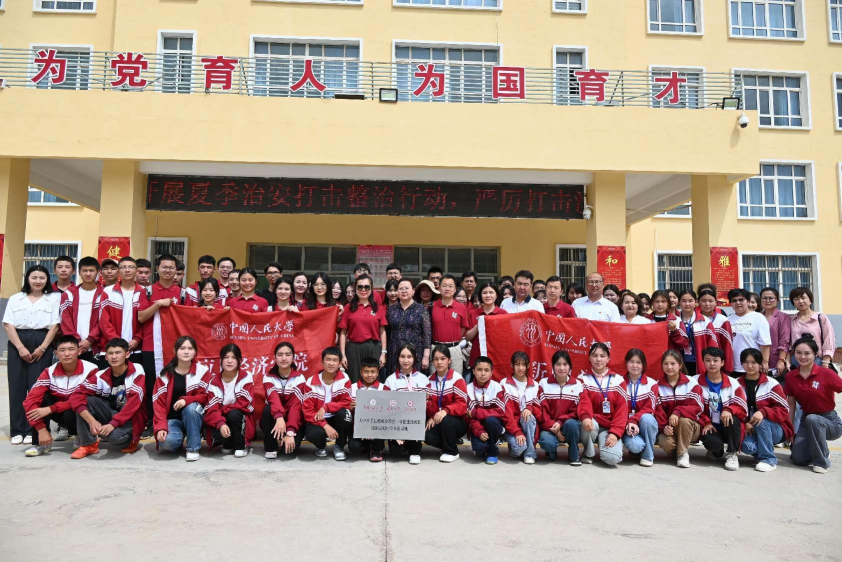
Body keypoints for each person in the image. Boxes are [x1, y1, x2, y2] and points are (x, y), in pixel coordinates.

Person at [4, 264, 61, 446]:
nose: (38, 281)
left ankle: (33, 429)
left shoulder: (53, 299)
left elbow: (55, 325)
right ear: (27, 278)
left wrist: (43, 347)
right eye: (34, 277)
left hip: (42, 341)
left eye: (42, 278)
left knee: (38, 388)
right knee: (17, 387)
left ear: (47, 280)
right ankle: (17, 430)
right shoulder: (16, 298)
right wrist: (20, 347)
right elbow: (8, 324)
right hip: (18, 342)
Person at [19, 335, 98, 456]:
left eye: (71, 349)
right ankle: (41, 443)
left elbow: (84, 399)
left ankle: (80, 436)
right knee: (38, 400)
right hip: (59, 412)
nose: (67, 354)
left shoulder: (91, 369)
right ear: (56, 353)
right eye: (62, 350)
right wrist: (41, 429)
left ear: (79, 351)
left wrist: (51, 409)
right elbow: (30, 401)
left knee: (83, 402)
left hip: (77, 412)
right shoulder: (49, 372)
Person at [71, 338, 147, 458]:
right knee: (85, 401)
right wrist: (91, 420)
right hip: (110, 413)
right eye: (110, 353)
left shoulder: (137, 370)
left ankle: (133, 437)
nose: (114, 357)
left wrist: (113, 424)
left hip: (131, 418)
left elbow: (134, 402)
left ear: (127, 354)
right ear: (106, 357)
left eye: (118, 353)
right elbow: (76, 395)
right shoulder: (101, 375)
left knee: (115, 438)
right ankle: (88, 445)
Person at [137, 254, 182, 438]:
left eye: (171, 267)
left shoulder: (183, 293)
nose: (168, 270)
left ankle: (173, 420)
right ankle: (151, 420)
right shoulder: (147, 291)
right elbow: (141, 317)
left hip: (175, 348)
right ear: (157, 269)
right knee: (151, 386)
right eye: (164, 267)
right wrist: (158, 305)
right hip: (151, 346)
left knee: (174, 385)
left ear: (176, 270)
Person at [785, 335, 842, 474]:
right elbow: (791, 405)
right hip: (806, 419)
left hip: (830, 421)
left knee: (813, 419)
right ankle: (818, 447)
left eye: (807, 353)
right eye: (798, 353)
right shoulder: (790, 376)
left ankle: (822, 462)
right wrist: (790, 428)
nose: (802, 357)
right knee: (798, 459)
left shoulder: (826, 373)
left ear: (815, 354)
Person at [153, 336, 212, 461]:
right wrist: (161, 427)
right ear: (175, 351)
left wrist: (186, 400)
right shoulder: (164, 375)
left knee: (191, 408)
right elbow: (158, 404)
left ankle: (193, 448)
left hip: (195, 417)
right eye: (182, 348)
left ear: (195, 352)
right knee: (167, 442)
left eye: (190, 348)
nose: (186, 352)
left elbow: (205, 397)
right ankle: (177, 442)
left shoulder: (202, 371)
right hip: (173, 419)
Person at [738, 347, 794, 472]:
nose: (750, 366)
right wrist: (745, 422)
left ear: (760, 364)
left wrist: (763, 412)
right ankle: (761, 451)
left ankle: (768, 459)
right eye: (746, 362)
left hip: (775, 428)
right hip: (750, 428)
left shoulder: (771, 384)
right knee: (747, 446)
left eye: (754, 362)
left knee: (761, 422)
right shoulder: (737, 384)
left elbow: (784, 410)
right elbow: (735, 407)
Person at [696, 347, 747, 471]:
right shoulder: (695, 381)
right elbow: (694, 407)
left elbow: (742, 408)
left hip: (727, 425)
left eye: (715, 360)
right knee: (713, 444)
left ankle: (732, 454)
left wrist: (729, 409)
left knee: (733, 419)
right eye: (708, 360)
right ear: (703, 362)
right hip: (708, 425)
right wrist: (707, 422)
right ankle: (716, 450)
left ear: (722, 362)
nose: (712, 364)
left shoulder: (733, 383)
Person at [577, 343, 627, 466]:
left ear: (608, 359)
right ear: (589, 358)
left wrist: (615, 433)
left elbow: (622, 410)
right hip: (591, 424)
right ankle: (588, 452)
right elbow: (583, 402)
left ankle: (604, 444)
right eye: (595, 356)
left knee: (612, 459)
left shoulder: (618, 380)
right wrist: (585, 417)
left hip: (610, 427)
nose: (598, 359)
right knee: (589, 423)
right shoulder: (582, 379)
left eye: (602, 356)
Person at [301, 347, 353, 460]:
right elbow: (308, 411)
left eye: (335, 360)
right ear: (322, 362)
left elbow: (347, 402)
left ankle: (339, 447)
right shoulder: (311, 382)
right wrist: (325, 425)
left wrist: (326, 407)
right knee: (314, 433)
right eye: (328, 359)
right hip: (317, 419)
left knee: (345, 414)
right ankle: (321, 447)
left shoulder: (344, 379)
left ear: (339, 364)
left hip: (336, 417)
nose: (331, 363)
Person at [205, 344, 255, 458]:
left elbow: (243, 403)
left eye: (234, 357)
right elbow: (212, 409)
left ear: (239, 360)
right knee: (217, 421)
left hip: (239, 416)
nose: (229, 361)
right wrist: (220, 423)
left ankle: (241, 445)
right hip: (222, 417)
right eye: (226, 357)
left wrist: (223, 410)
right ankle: (228, 442)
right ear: (221, 360)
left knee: (234, 414)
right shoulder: (214, 381)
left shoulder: (246, 376)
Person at [655, 350, 704, 468]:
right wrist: (663, 426)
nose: (669, 367)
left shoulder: (691, 382)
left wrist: (678, 412)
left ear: (680, 365)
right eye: (666, 364)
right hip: (670, 428)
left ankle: (682, 454)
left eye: (673, 363)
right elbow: (657, 410)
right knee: (664, 442)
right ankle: (676, 453)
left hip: (691, 427)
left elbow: (697, 406)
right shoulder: (657, 386)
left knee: (683, 420)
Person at [383, 344, 430, 464]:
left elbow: (429, 403)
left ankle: (415, 450)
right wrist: (395, 432)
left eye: (409, 357)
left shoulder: (424, 379)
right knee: (396, 452)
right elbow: (386, 408)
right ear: (397, 358)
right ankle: (404, 442)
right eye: (402, 356)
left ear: (415, 358)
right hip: (397, 422)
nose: (405, 360)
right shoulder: (390, 380)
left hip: (417, 421)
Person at [537, 350, 583, 465]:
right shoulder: (543, 383)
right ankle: (551, 451)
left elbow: (576, 412)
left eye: (565, 364)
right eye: (558, 364)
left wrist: (560, 422)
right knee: (547, 443)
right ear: (553, 366)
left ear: (570, 366)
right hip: (549, 427)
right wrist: (554, 428)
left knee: (572, 424)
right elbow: (542, 411)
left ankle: (574, 455)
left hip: (567, 426)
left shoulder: (577, 384)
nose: (562, 368)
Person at [424, 345, 469, 463]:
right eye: (436, 359)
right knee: (425, 434)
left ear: (449, 360)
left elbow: (462, 405)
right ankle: (448, 443)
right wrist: (431, 417)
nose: (439, 362)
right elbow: (430, 404)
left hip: (457, 421)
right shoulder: (429, 380)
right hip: (438, 420)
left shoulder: (457, 379)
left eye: (443, 359)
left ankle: (451, 452)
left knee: (446, 420)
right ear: (432, 362)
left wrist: (445, 411)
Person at [261, 342, 306, 459]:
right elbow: (273, 399)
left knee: (290, 452)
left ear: (293, 357)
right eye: (280, 355)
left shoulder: (299, 378)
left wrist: (290, 431)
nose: (284, 358)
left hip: (293, 419)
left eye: (288, 354)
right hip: (275, 417)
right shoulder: (268, 377)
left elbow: (296, 406)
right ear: (275, 358)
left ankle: (285, 437)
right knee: (267, 410)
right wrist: (279, 417)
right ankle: (271, 446)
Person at [340, 274, 387, 383]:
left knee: (373, 379)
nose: (363, 290)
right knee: (354, 379)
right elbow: (343, 332)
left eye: (367, 287)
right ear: (356, 288)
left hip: (373, 347)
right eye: (360, 287)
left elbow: (382, 331)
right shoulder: (348, 307)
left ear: (371, 288)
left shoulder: (378, 308)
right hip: (353, 348)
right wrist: (343, 355)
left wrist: (383, 353)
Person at [98, 256, 144, 367]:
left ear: (136, 271)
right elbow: (104, 321)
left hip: (136, 348)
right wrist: (117, 343)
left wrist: (137, 339)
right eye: (123, 267)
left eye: (131, 267)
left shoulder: (144, 291)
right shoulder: (108, 292)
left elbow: (147, 320)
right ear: (118, 271)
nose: (127, 270)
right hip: (111, 348)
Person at [60, 256, 104, 364]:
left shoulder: (105, 293)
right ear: (79, 272)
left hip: (97, 347)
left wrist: (90, 340)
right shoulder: (69, 294)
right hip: (74, 347)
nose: (88, 274)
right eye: (84, 270)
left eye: (91, 270)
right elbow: (65, 320)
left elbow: (104, 320)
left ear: (98, 272)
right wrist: (76, 341)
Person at [621, 348, 659, 467]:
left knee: (647, 418)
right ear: (626, 363)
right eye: (631, 362)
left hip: (643, 424)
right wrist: (628, 423)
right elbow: (619, 408)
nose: (635, 365)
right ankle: (637, 450)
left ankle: (647, 456)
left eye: (638, 362)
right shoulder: (619, 382)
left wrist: (633, 420)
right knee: (636, 446)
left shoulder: (652, 384)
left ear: (643, 365)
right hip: (626, 425)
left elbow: (649, 409)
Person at [465, 356, 507, 465]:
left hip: (493, 424)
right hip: (477, 427)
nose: (483, 374)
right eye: (479, 370)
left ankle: (492, 452)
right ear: (473, 371)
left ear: (491, 372)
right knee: (479, 449)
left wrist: (476, 413)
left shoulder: (497, 387)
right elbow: (469, 417)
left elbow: (500, 411)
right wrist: (479, 431)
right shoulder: (468, 389)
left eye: (486, 370)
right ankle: (487, 444)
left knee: (491, 420)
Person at [501, 351, 541, 464]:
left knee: (527, 417)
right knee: (518, 449)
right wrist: (517, 431)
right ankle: (519, 449)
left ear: (528, 366)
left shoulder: (535, 385)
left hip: (528, 426)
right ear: (512, 365)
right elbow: (506, 414)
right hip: (511, 426)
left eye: (523, 364)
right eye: (517, 364)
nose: (520, 368)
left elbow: (540, 412)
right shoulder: (505, 384)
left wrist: (529, 408)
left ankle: (529, 453)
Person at [387, 279, 431, 374]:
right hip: (395, 352)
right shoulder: (391, 310)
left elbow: (427, 334)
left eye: (406, 288)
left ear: (413, 291)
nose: (403, 291)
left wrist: (426, 356)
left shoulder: (421, 309)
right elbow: (388, 333)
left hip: (416, 352)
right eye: (401, 289)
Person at [789, 287, 836, 370]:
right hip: (796, 361)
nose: (800, 301)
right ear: (793, 302)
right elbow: (788, 342)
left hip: (817, 360)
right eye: (796, 299)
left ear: (810, 300)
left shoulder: (821, 318)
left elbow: (828, 340)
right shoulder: (791, 320)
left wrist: (826, 361)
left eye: (803, 298)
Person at [431, 274, 470, 375]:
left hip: (454, 349)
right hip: (436, 347)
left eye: (450, 286)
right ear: (439, 288)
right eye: (444, 286)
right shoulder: (432, 306)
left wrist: (454, 339)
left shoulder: (461, 308)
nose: (447, 289)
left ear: (455, 289)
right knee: (435, 379)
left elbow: (463, 328)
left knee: (455, 378)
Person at [465, 282, 507, 377]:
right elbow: (468, 337)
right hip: (477, 355)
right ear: (480, 295)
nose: (488, 295)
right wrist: (479, 324)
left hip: (497, 356)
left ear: (496, 295)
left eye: (491, 292)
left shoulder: (503, 313)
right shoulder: (473, 313)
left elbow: (506, 337)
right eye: (484, 293)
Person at [348, 357, 385, 462]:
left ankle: (376, 449)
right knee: (354, 447)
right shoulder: (353, 388)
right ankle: (367, 447)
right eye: (366, 372)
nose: (369, 375)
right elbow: (347, 406)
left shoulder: (383, 388)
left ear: (377, 373)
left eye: (372, 372)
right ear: (361, 372)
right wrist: (350, 407)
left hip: (377, 427)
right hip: (358, 427)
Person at [727, 288, 771, 376]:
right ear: (731, 303)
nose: (738, 303)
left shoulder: (758, 317)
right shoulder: (728, 320)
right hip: (733, 367)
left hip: (753, 366)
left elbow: (765, 343)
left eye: (741, 300)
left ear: (747, 301)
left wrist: (764, 362)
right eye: (734, 300)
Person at [677, 290, 717, 376]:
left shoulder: (704, 321)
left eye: (690, 301)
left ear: (696, 302)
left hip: (698, 362)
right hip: (678, 362)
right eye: (684, 301)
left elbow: (712, 344)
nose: (687, 304)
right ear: (679, 302)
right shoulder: (674, 320)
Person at [698, 288, 734, 376]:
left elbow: (727, 345)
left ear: (716, 302)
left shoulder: (722, 320)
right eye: (703, 301)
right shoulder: (694, 319)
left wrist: (727, 368)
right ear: (698, 302)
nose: (707, 304)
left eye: (710, 301)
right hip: (697, 363)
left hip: (717, 365)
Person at [759, 287, 791, 382]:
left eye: (771, 298)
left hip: (775, 358)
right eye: (764, 298)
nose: (767, 300)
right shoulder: (758, 316)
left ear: (777, 300)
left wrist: (781, 360)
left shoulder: (783, 317)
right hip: (758, 359)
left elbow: (785, 340)